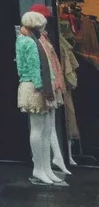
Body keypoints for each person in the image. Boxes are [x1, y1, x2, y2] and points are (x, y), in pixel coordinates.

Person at [16, 11, 66, 186]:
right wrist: (43, 88)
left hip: (38, 86)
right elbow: (33, 67)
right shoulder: (28, 42)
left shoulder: (29, 40)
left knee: (44, 129)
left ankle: (45, 167)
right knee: (39, 128)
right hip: (35, 87)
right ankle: (39, 167)